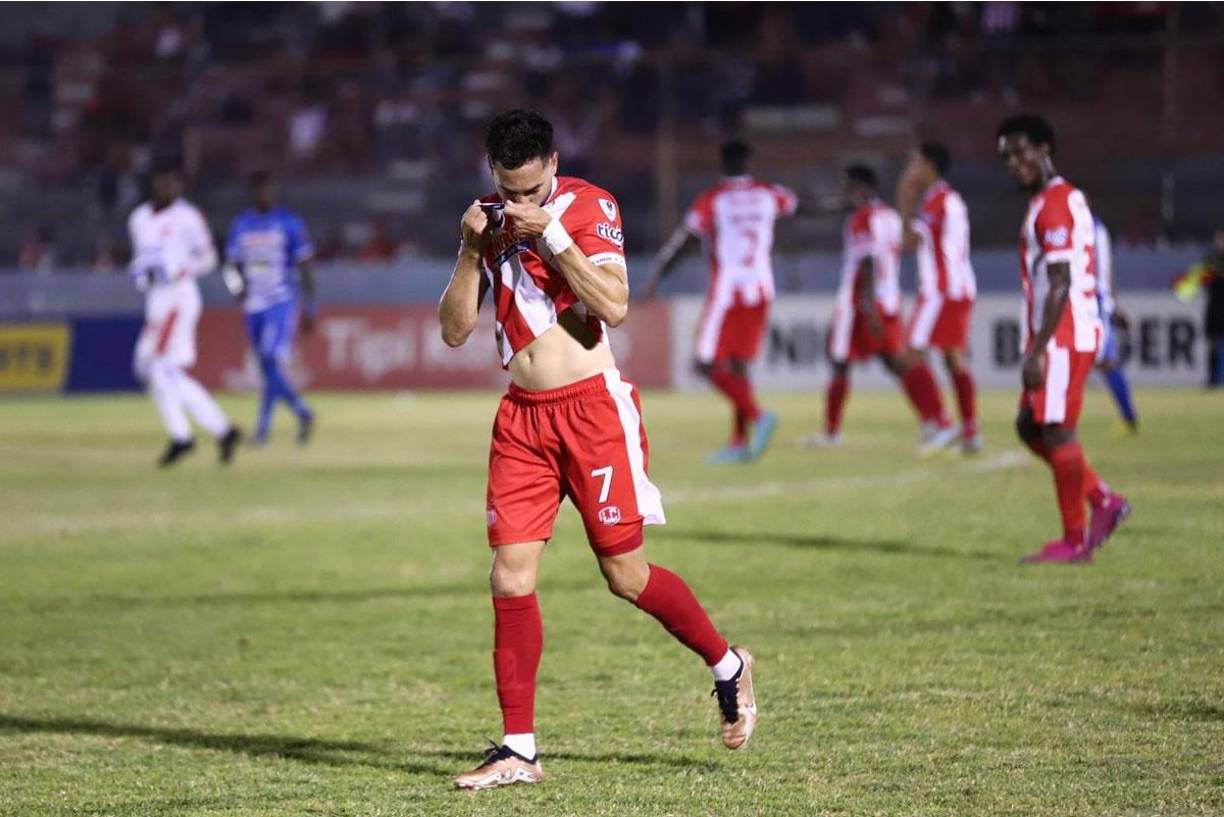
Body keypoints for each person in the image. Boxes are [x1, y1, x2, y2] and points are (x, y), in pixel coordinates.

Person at [439, 110, 756, 790]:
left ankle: (727, 663)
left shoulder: (589, 206)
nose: (518, 203)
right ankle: (518, 748)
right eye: (507, 190)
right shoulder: (486, 223)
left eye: (529, 190)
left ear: (553, 164)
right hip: (522, 420)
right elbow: (455, 331)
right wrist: (469, 251)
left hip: (591, 412)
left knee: (627, 577)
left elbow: (613, 305)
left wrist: (549, 233)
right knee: (509, 576)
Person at [995, 114, 1130, 563]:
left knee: (1055, 430)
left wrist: (1037, 350)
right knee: (1029, 426)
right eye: (1007, 157)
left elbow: (1060, 281)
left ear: (1045, 148)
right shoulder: (1049, 201)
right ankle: (1103, 500)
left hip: (1064, 334)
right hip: (1062, 332)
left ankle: (1074, 542)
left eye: (1021, 151)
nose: (1014, 163)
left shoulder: (1055, 202)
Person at [641, 139, 797, 462]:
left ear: (721, 164)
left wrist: (656, 276)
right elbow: (801, 205)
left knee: (704, 363)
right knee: (738, 365)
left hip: (728, 292)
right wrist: (850, 202)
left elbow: (685, 240)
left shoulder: (713, 200)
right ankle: (740, 444)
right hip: (761, 290)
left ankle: (757, 415)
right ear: (750, 162)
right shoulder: (769, 193)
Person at [806, 165, 958, 451]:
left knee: (892, 361)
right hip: (887, 299)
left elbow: (867, 262)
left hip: (862, 303)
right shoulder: (890, 216)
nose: (846, 194)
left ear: (860, 188)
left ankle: (940, 421)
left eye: (849, 188)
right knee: (879, 362)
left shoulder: (862, 218)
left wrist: (867, 305)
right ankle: (935, 420)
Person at [129, 163, 242, 467]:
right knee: (151, 369)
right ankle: (221, 431)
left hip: (178, 296)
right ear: (154, 184)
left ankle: (185, 437)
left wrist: (181, 268)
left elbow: (209, 258)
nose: (169, 189)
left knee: (161, 369)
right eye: (163, 182)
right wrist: (140, 272)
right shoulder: (138, 218)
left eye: (174, 183)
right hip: (156, 299)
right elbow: (142, 258)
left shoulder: (188, 217)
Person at [897, 142, 982, 453]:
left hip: (941, 291)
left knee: (909, 355)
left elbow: (910, 241)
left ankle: (941, 424)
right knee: (952, 359)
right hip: (955, 288)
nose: (911, 170)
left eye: (915, 163)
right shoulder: (941, 200)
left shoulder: (939, 202)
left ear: (929, 166)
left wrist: (904, 200)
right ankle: (970, 431)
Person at [222, 171, 316, 446]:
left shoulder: (289, 223)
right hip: (253, 305)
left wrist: (309, 307)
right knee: (266, 366)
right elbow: (230, 265)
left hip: (280, 301)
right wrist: (235, 287)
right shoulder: (242, 224)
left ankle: (263, 430)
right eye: (259, 190)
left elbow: (306, 266)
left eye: (268, 190)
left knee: (268, 359)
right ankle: (302, 411)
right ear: (253, 193)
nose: (264, 194)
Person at [1091, 216, 1139, 429]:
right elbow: (1106, 270)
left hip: (1092, 302)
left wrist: (1109, 303)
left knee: (1107, 362)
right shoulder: (1098, 227)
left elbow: (1101, 272)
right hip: (1094, 301)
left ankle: (1129, 416)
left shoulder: (1088, 225)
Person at [1171, 228, 1224, 386]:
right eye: (1220, 240)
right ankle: (1213, 379)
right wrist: (1184, 289)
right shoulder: (1210, 260)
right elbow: (1194, 278)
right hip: (1214, 307)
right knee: (1212, 344)